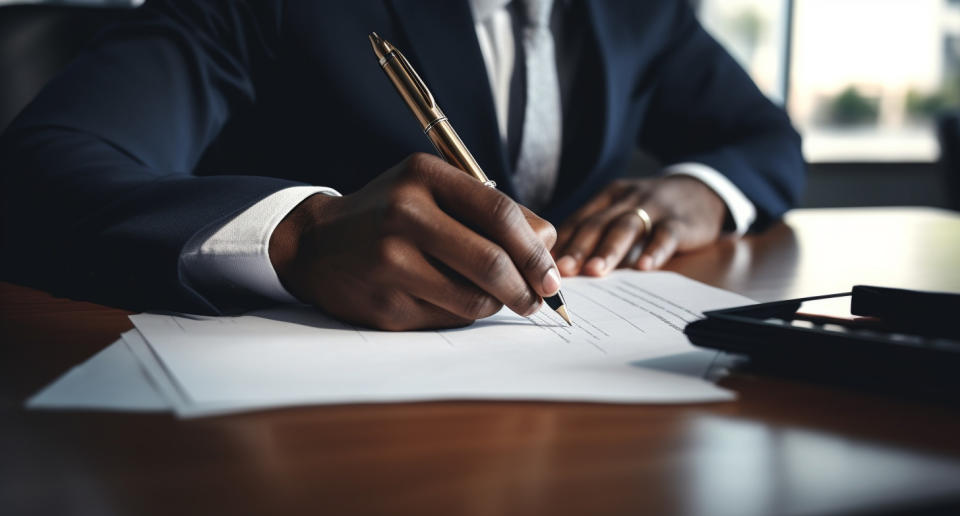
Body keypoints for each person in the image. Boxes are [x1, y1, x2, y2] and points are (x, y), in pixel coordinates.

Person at [0, 0, 804, 330]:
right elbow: (38, 169)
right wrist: (295, 236)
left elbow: (768, 140)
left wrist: (702, 189)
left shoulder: (641, 11)